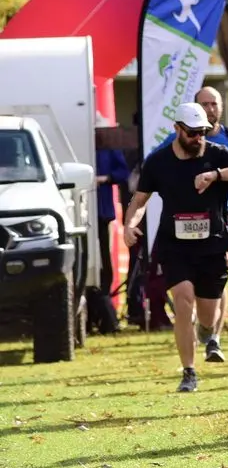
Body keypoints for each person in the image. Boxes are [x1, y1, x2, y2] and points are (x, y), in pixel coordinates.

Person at [123, 103, 228, 391]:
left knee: (207, 314)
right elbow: (139, 200)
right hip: (175, 245)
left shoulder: (216, 154)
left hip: (212, 245)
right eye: (192, 132)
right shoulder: (158, 162)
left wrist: (216, 175)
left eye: (203, 132)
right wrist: (129, 224)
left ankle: (208, 332)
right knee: (183, 301)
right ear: (177, 130)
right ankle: (189, 371)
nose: (198, 138)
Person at [93, 131, 129, 334]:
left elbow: (122, 172)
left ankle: (105, 311)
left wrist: (105, 178)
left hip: (103, 211)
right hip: (85, 211)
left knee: (105, 262)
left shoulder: (108, 146)